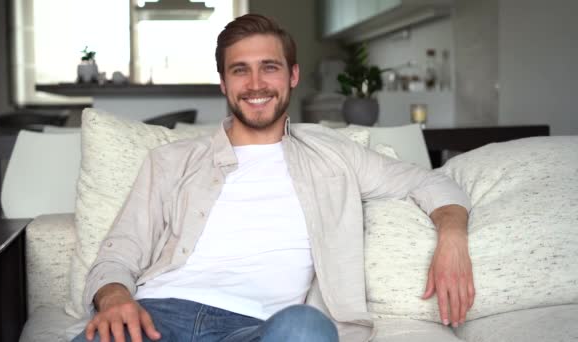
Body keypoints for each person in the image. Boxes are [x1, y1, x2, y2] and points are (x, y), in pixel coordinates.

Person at [72, 14, 474, 342]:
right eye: (240, 71)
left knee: (307, 329)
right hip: (156, 318)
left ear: (293, 76)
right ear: (224, 83)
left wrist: (452, 235)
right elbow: (116, 255)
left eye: (270, 68)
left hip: (261, 329)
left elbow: (429, 181)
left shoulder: (333, 154)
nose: (256, 84)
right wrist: (114, 300)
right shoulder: (170, 160)